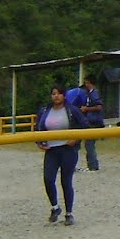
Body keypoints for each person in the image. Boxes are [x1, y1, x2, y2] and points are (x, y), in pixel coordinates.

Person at [35, 83, 86, 225]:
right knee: (48, 178)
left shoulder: (72, 110)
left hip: (67, 149)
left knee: (66, 180)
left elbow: (84, 126)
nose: (56, 96)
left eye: (58, 93)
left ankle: (69, 213)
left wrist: (75, 139)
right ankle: (55, 207)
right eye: (53, 93)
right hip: (51, 150)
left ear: (64, 95)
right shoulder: (45, 110)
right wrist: (39, 142)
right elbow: (37, 128)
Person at [66, 73, 106, 171]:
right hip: (89, 121)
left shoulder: (94, 93)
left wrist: (86, 109)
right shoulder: (89, 94)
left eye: (86, 83)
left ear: (89, 83)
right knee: (84, 143)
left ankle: (93, 166)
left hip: (94, 122)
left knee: (89, 144)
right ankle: (89, 165)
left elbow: (99, 106)